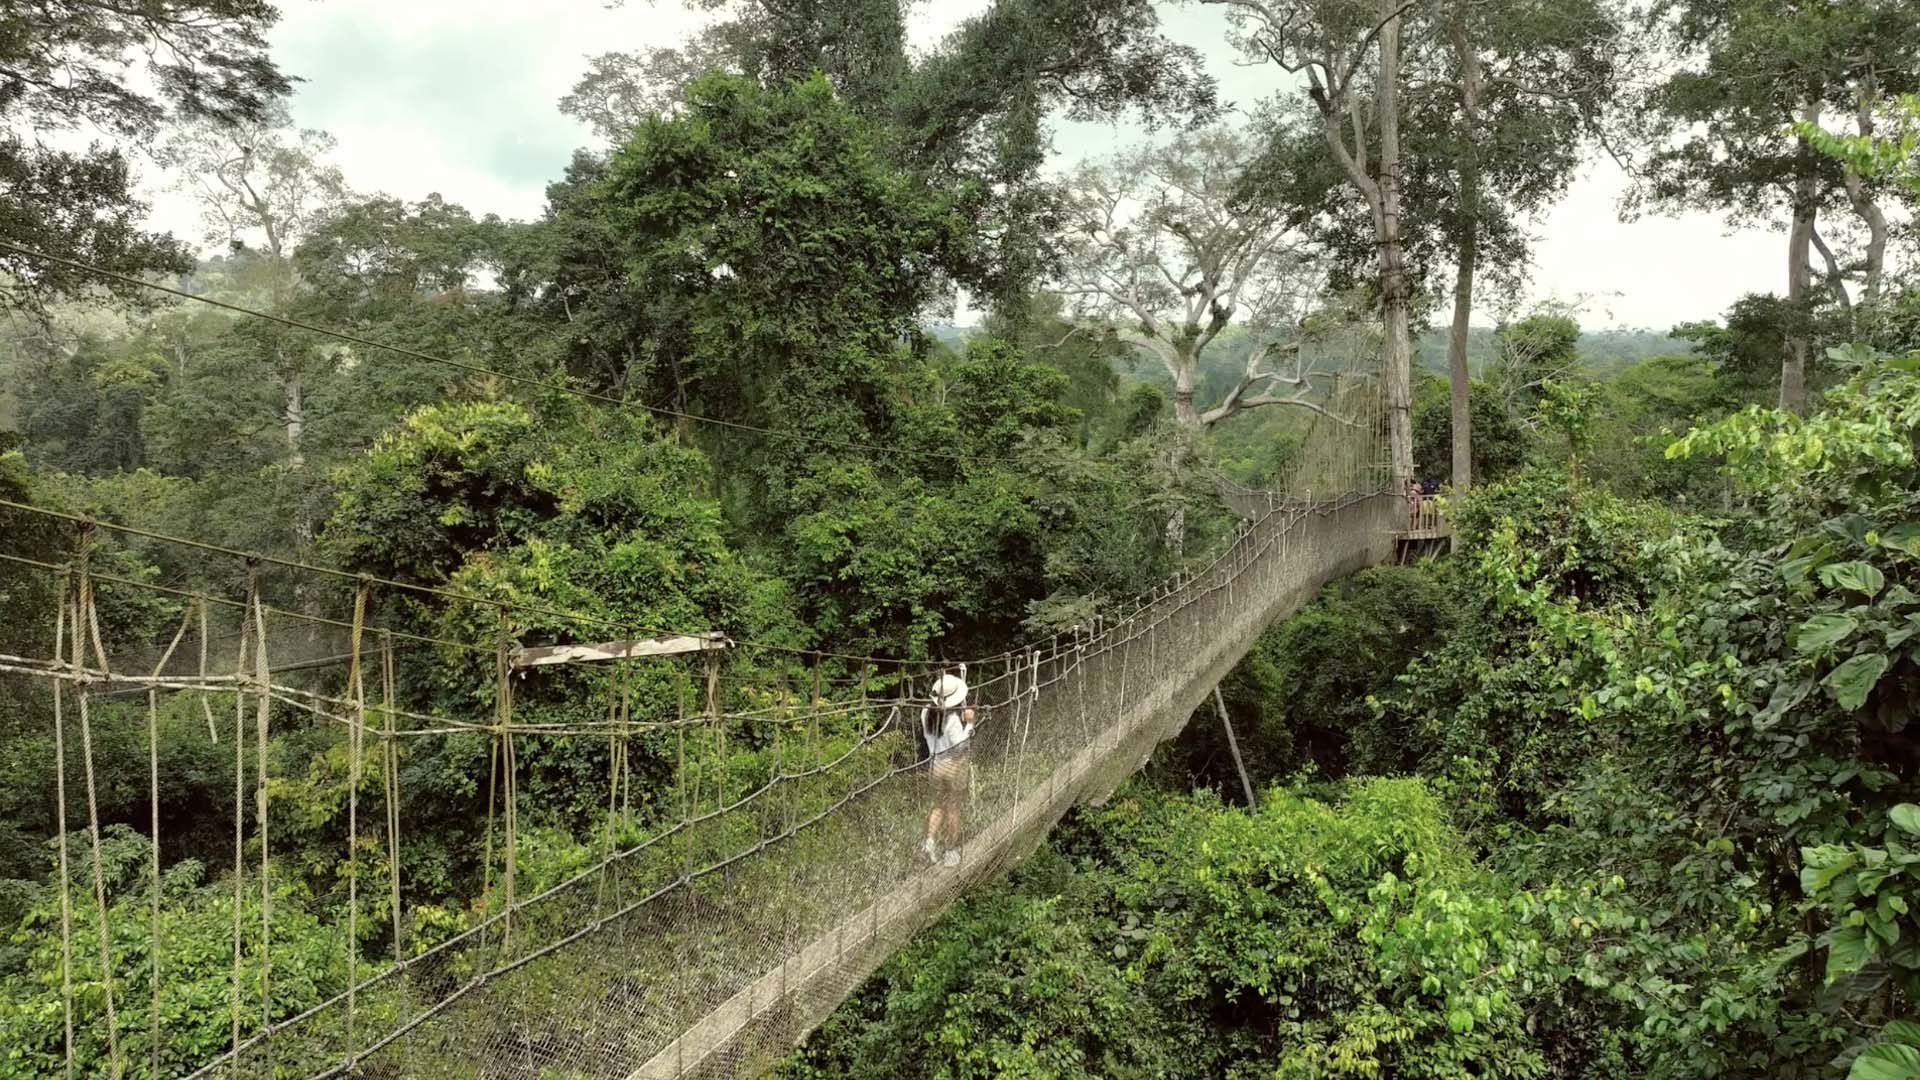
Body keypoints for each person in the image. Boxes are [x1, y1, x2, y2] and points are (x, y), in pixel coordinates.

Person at [920, 668, 976, 868]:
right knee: (953, 809)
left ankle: (929, 844)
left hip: (935, 765)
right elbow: (960, 746)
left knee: (938, 806)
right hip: (953, 766)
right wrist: (969, 724)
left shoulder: (926, 712)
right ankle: (951, 852)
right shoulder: (952, 720)